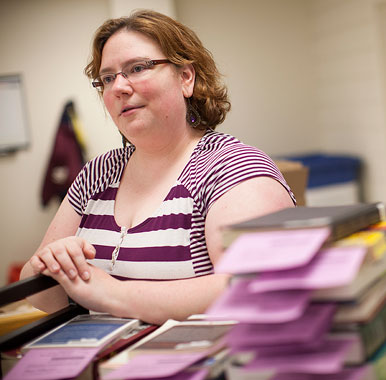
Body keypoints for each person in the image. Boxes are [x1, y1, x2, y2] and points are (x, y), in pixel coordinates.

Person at [20, 10, 295, 325]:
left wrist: (112, 294)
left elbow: (254, 287)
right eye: (108, 78)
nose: (118, 88)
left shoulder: (231, 167)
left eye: (137, 68)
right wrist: (55, 265)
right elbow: (40, 294)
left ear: (186, 77)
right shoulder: (97, 173)